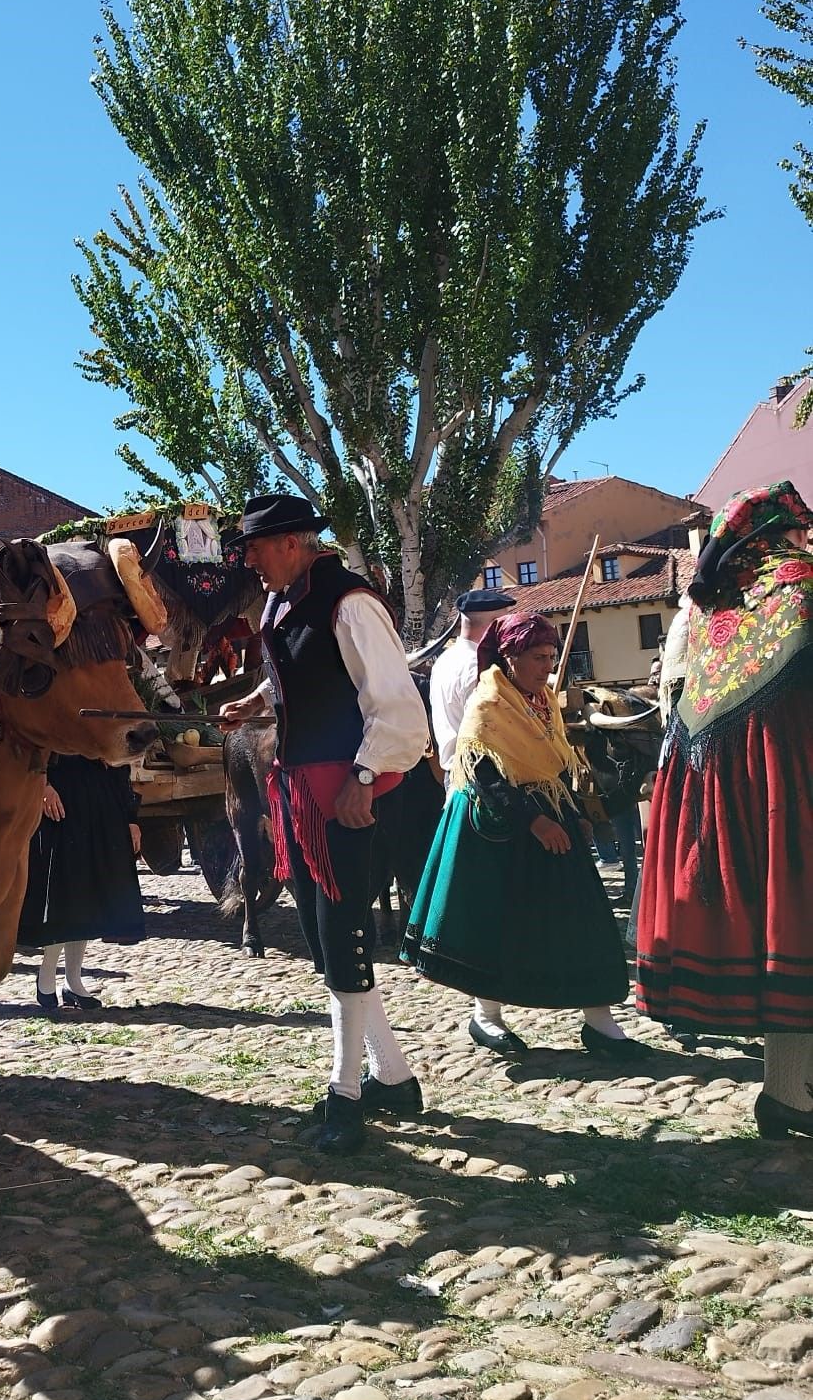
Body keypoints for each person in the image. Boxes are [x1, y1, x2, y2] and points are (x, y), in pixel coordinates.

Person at [219, 493, 430, 1156]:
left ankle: (345, 1095)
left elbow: (396, 704)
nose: (248, 561)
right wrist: (255, 702)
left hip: (354, 794)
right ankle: (393, 1076)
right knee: (322, 937)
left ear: (290, 543)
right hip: (306, 796)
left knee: (341, 938)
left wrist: (365, 779)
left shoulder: (350, 603)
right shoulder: (284, 602)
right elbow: (301, 681)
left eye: (254, 549)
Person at [636, 482, 813, 1138]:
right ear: (777, 536)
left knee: (790, 943)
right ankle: (789, 1094)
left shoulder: (714, 615)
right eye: (800, 532)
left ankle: (787, 1094)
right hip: (789, 794)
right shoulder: (797, 591)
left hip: (735, 804)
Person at [401, 613, 641, 1062]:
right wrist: (534, 822)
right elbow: (485, 775)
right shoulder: (488, 704)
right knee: (496, 924)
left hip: (551, 818)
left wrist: (573, 812)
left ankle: (600, 1022)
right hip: (497, 828)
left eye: (551, 657)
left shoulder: (543, 699)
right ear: (510, 657)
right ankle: (486, 1016)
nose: (546, 667)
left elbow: (555, 761)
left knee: (583, 917)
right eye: (537, 657)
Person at [16, 755, 144, 1007]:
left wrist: (131, 818)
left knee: (87, 896)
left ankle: (73, 982)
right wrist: (43, 785)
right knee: (66, 893)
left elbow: (120, 759)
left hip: (101, 800)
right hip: (62, 799)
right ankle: (47, 975)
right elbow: (33, 747)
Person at [427, 586, 516, 781]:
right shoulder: (479, 665)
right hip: (483, 777)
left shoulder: (443, 660)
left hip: (455, 773)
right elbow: (487, 727)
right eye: (505, 623)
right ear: (494, 625)